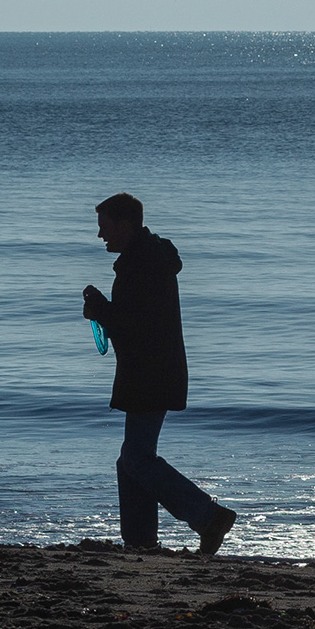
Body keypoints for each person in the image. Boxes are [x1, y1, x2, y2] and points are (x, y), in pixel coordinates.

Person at [82, 191, 236, 557]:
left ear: (126, 224)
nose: (101, 236)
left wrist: (100, 309)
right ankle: (140, 540)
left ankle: (208, 516)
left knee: (136, 459)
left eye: (105, 228)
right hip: (153, 370)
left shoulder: (142, 263)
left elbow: (134, 325)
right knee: (132, 458)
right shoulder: (148, 257)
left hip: (150, 373)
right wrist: (104, 309)